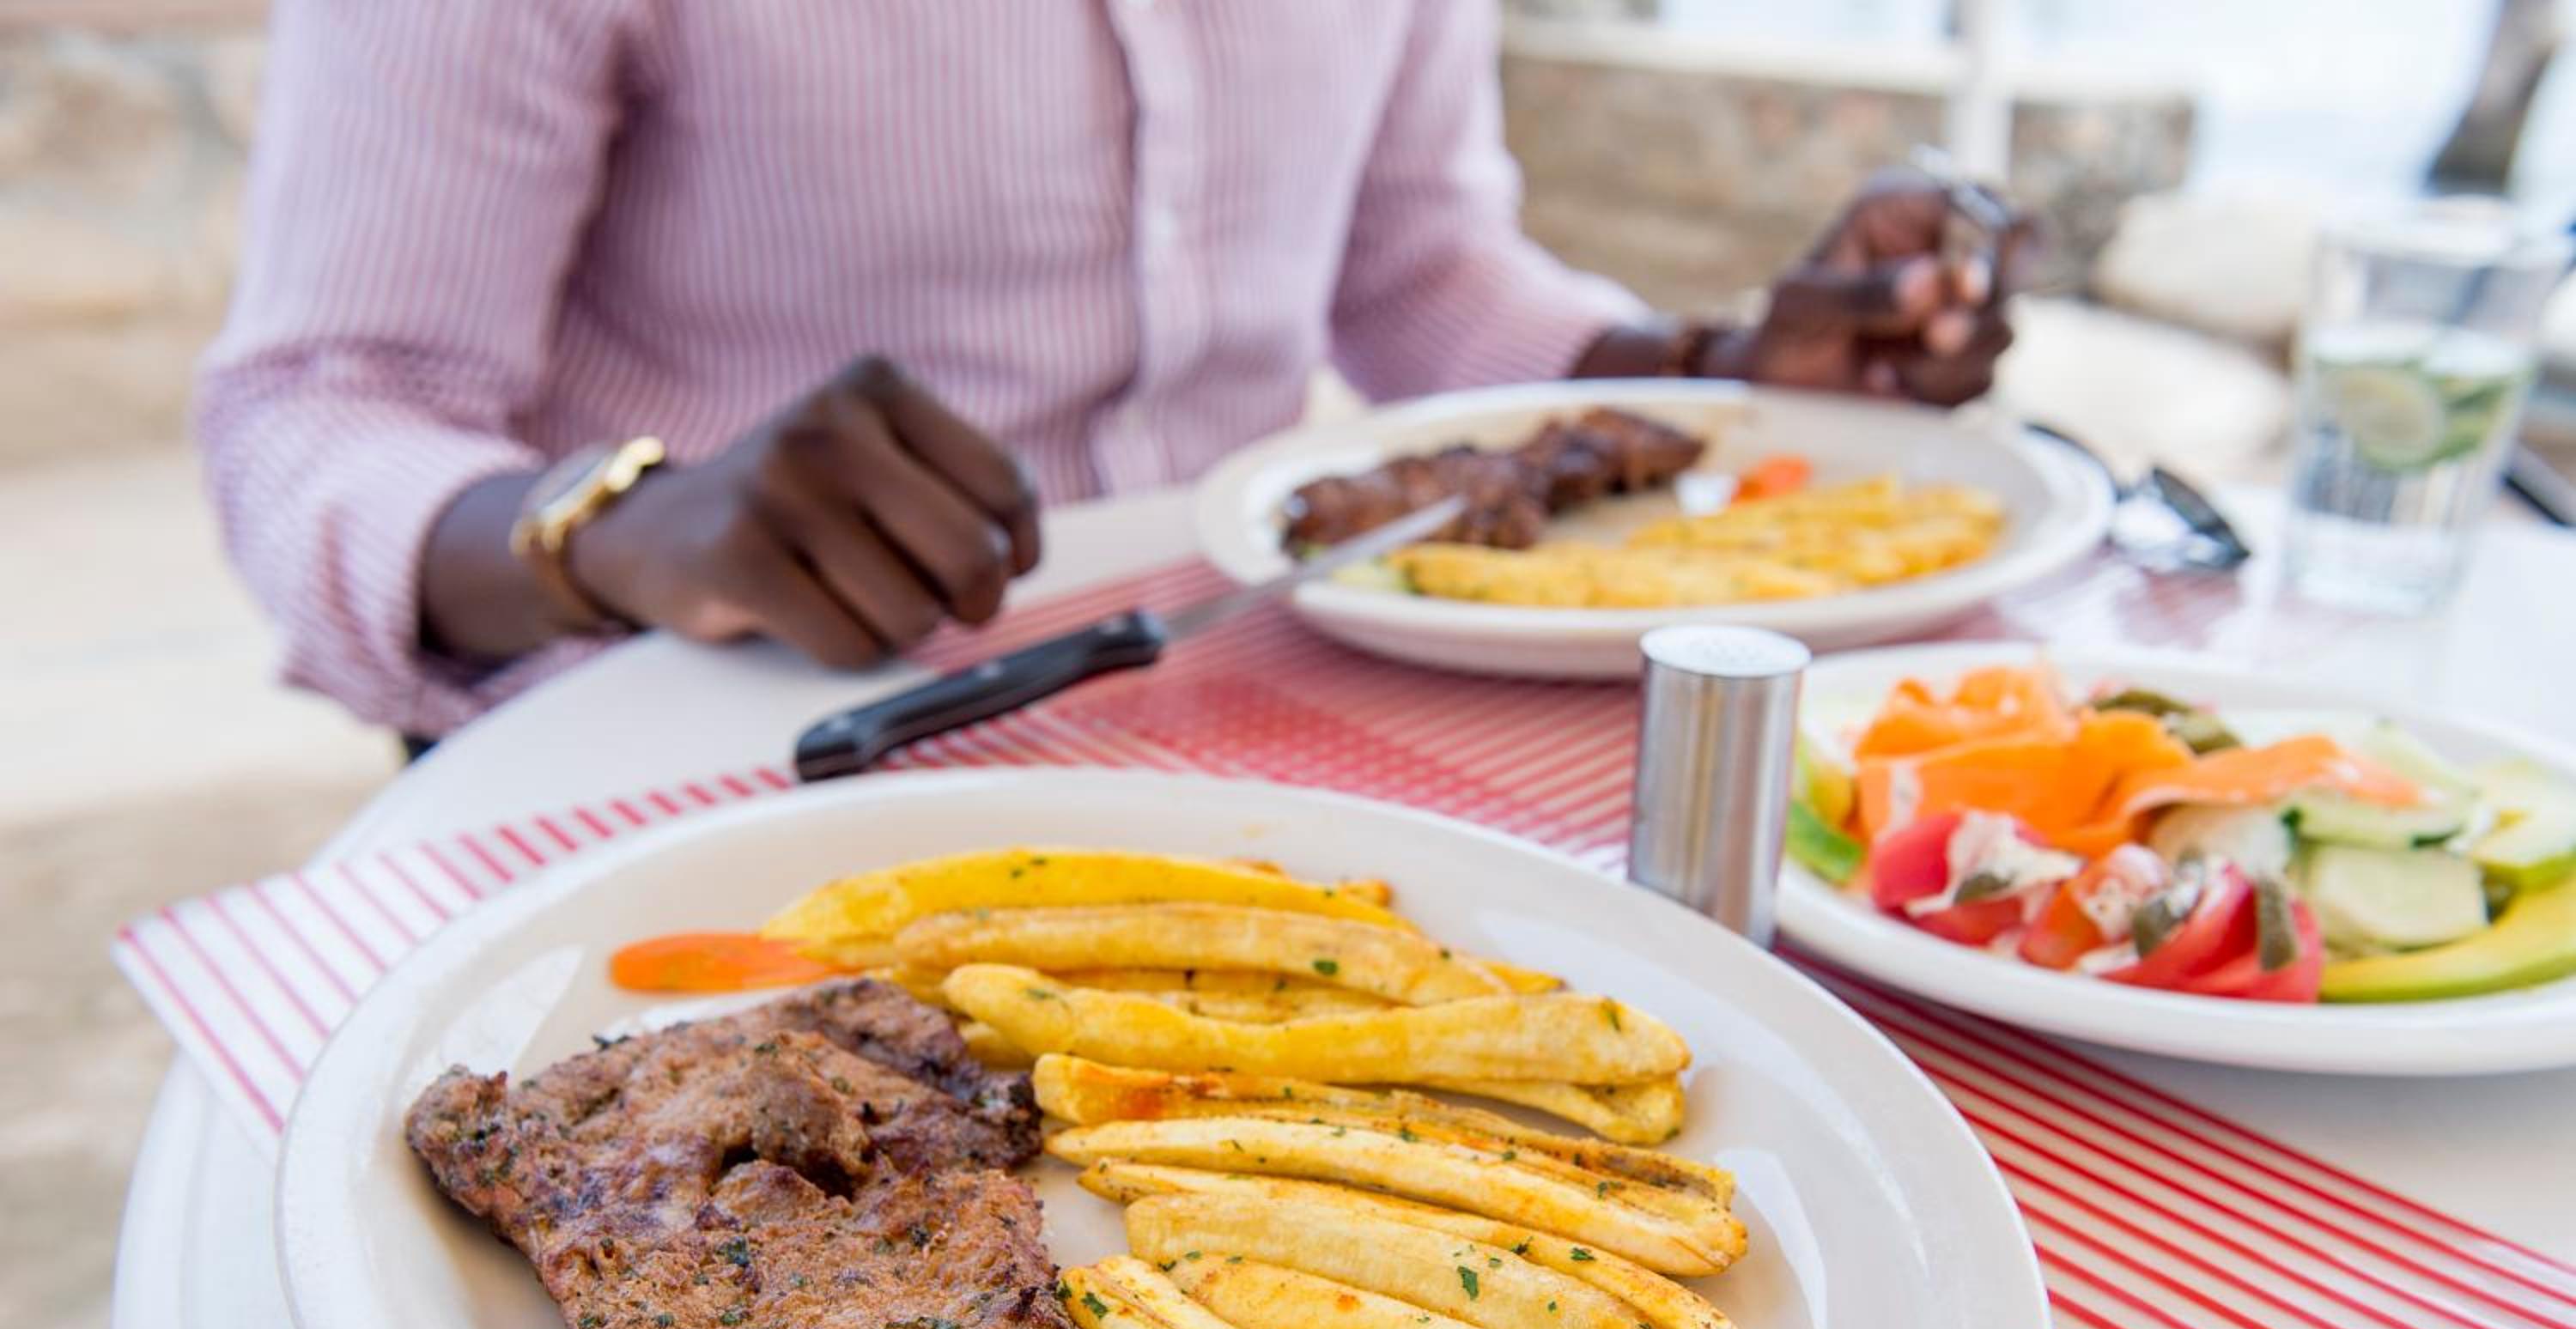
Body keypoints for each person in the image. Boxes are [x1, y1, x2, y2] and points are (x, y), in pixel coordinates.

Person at [197, 1, 2022, 741]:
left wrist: (1718, 372)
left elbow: (1417, 270)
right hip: (685, 737)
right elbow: (316, 410)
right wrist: (622, 529)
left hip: (1248, 700)